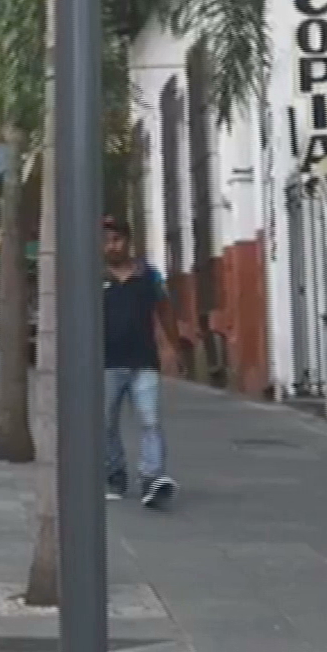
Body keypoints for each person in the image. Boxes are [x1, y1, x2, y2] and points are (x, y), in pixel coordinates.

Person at [102, 215, 188, 508]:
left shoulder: (148, 275)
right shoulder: (91, 276)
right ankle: (115, 475)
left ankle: (152, 479)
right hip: (105, 364)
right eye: (105, 241)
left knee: (150, 421)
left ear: (127, 241)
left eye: (117, 239)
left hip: (143, 362)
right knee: (106, 425)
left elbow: (164, 311)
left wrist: (174, 348)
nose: (112, 246)